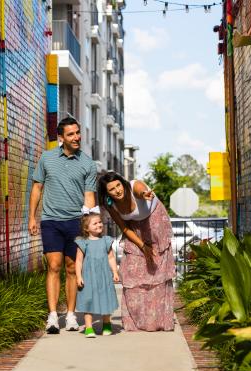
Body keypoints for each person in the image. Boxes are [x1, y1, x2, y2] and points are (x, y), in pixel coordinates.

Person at [29, 117, 97, 334]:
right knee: (54, 266)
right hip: (51, 220)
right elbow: (37, 188)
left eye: (78, 132)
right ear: (61, 138)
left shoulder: (87, 163)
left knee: (71, 268)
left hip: (76, 223)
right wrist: (31, 217)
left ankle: (70, 315)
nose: (77, 137)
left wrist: (90, 226)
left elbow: (89, 198)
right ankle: (51, 317)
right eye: (71, 134)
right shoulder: (47, 158)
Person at [98, 172, 175, 332]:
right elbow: (124, 227)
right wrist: (142, 246)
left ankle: (158, 321)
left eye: (118, 185)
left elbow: (141, 190)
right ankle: (136, 321)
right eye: (112, 189)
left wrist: (144, 194)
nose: (117, 190)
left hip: (154, 221)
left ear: (123, 183)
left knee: (157, 273)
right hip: (134, 228)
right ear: (107, 193)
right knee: (133, 271)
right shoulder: (110, 203)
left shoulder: (134, 187)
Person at [74, 209, 120, 338]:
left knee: (105, 300)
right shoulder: (83, 243)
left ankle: (106, 324)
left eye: (100, 222)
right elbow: (78, 261)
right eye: (95, 223)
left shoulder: (106, 241)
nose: (99, 225)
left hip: (104, 277)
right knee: (88, 301)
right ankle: (89, 328)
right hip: (89, 277)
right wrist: (79, 276)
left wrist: (115, 272)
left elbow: (111, 257)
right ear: (86, 228)